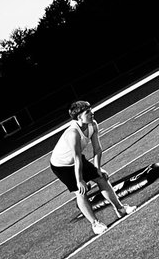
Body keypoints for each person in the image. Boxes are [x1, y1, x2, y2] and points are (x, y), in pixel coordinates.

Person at [49, 100, 135, 235]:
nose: (92, 113)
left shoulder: (93, 125)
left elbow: (97, 149)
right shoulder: (73, 133)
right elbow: (77, 158)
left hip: (77, 161)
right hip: (62, 165)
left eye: (91, 110)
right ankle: (95, 224)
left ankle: (120, 208)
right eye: (88, 112)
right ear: (79, 117)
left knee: (101, 179)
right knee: (81, 191)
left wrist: (98, 169)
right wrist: (80, 180)